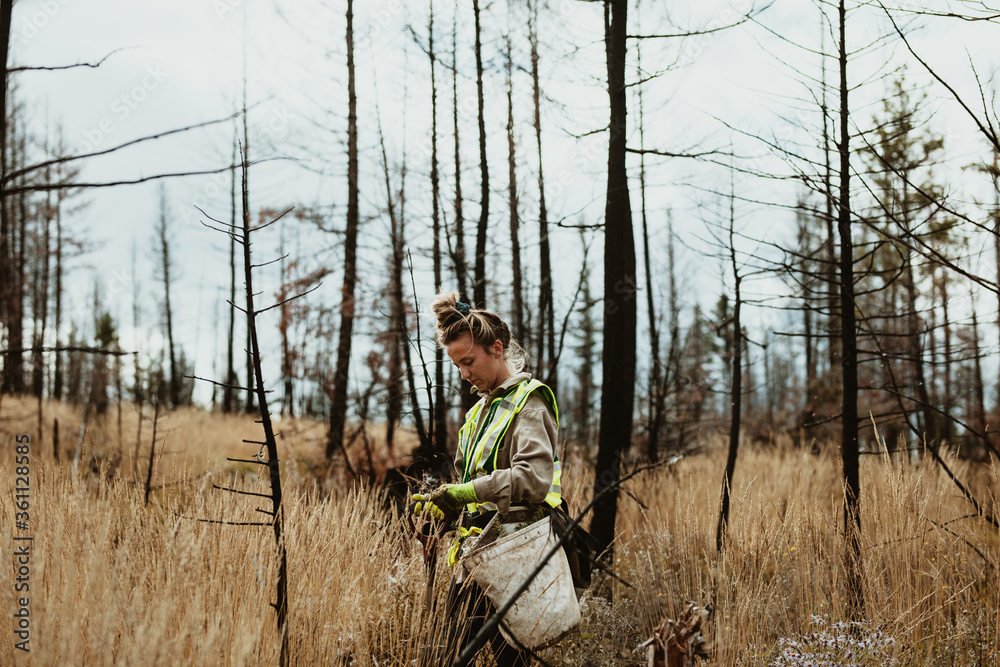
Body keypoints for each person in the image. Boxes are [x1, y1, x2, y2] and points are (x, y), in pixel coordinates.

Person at [414, 291, 563, 667]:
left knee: (447, 658)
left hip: (512, 558)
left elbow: (533, 480)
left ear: (496, 348)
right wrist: (442, 515)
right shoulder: (477, 413)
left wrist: (461, 493)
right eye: (457, 366)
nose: (464, 374)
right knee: (445, 656)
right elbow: (470, 488)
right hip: (474, 559)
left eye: (468, 361)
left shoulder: (530, 403)